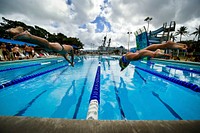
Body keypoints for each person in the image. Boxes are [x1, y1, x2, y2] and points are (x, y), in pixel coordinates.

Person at [6, 26, 74, 66]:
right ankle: (28, 35)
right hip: (59, 47)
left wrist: (71, 63)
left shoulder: (65, 54)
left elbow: (68, 59)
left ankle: (21, 33)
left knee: (40, 43)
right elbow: (72, 54)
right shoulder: (70, 48)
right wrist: (72, 61)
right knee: (47, 44)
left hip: (55, 48)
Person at [119, 41, 187, 71]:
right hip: (135, 53)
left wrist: (123, 68)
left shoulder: (127, 59)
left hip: (133, 56)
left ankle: (157, 53)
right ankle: (165, 45)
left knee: (150, 54)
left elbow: (124, 65)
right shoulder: (126, 56)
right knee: (151, 48)